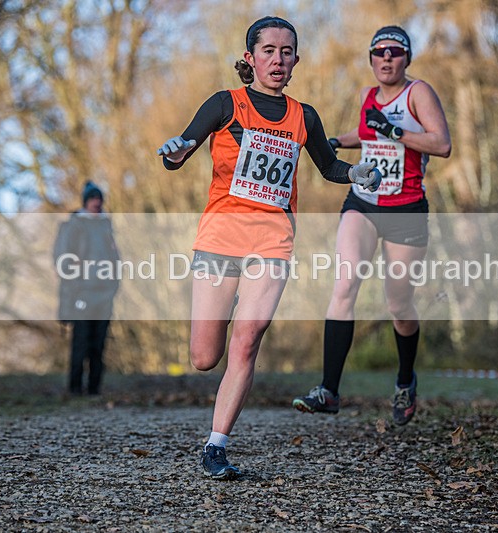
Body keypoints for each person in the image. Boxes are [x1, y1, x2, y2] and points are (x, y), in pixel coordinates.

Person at [157, 16, 382, 480]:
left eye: (286, 51)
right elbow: (182, 151)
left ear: (296, 59)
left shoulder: (305, 116)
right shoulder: (225, 104)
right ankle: (214, 414)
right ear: (250, 57)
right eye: (268, 50)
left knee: (249, 338)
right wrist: (175, 151)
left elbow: (329, 165)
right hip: (221, 237)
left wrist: (355, 172)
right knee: (204, 357)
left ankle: (216, 445)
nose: (277, 59)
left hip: (273, 240)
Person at [292, 25, 451, 425]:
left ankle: (404, 380)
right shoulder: (367, 96)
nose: (386, 57)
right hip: (363, 202)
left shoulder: (419, 93)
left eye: (395, 51)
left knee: (398, 303)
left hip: (406, 209)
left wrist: (396, 131)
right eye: (378, 51)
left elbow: (442, 144)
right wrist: (335, 142)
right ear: (371, 58)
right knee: (345, 283)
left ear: (406, 58)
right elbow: (366, 134)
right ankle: (329, 390)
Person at [54, 181, 120, 396]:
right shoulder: (73, 225)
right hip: (81, 292)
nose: (97, 203)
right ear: (86, 201)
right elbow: (62, 259)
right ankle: (74, 388)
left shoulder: (105, 226)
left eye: (99, 200)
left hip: (104, 292)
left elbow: (115, 257)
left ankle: (94, 389)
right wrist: (75, 283)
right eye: (93, 199)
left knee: (99, 344)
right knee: (80, 341)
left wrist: (113, 284)